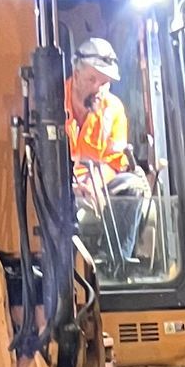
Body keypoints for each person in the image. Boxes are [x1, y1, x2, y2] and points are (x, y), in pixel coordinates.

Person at [67, 36, 151, 260]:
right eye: (92, 79)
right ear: (76, 75)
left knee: (134, 186)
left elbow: (114, 162)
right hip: (60, 188)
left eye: (104, 83)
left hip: (96, 184)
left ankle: (114, 263)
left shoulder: (113, 109)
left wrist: (93, 185)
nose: (98, 88)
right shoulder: (53, 102)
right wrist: (72, 185)